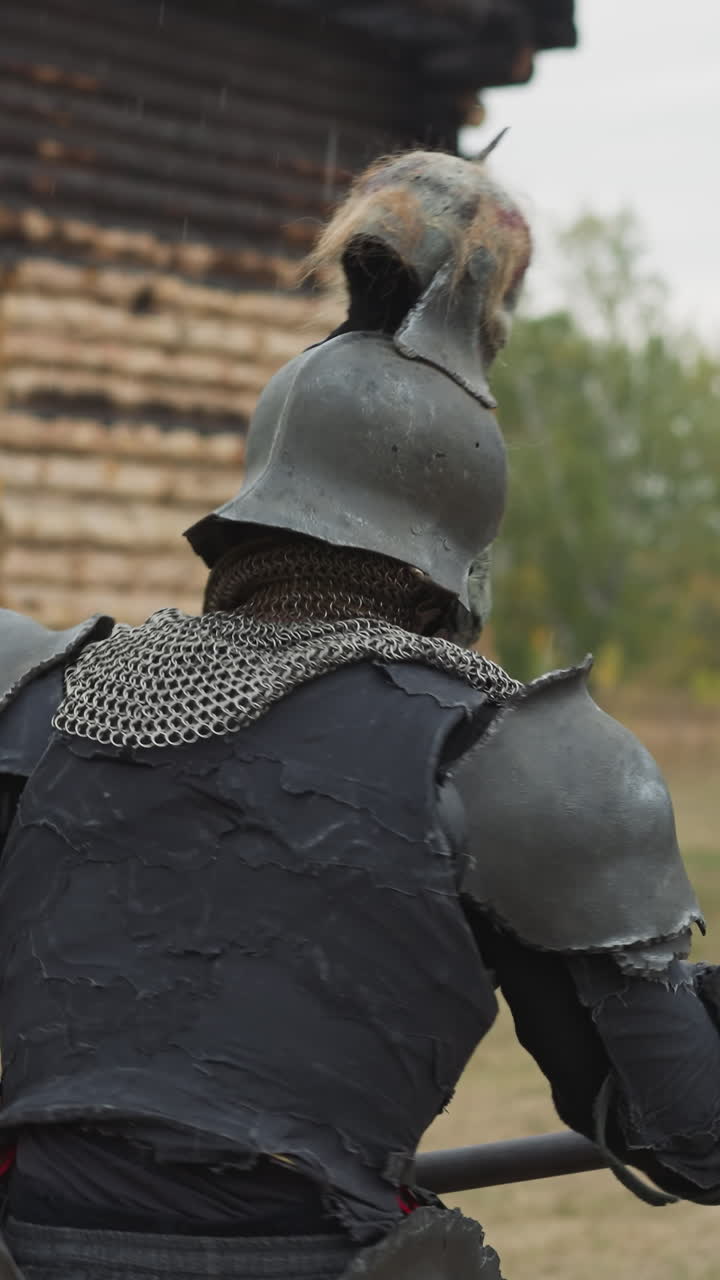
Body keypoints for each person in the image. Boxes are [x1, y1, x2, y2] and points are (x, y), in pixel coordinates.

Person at [0, 149, 720, 1280]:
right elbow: (692, 1133)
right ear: (452, 551)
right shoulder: (515, 755)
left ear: (250, 521)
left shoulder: (43, 696)